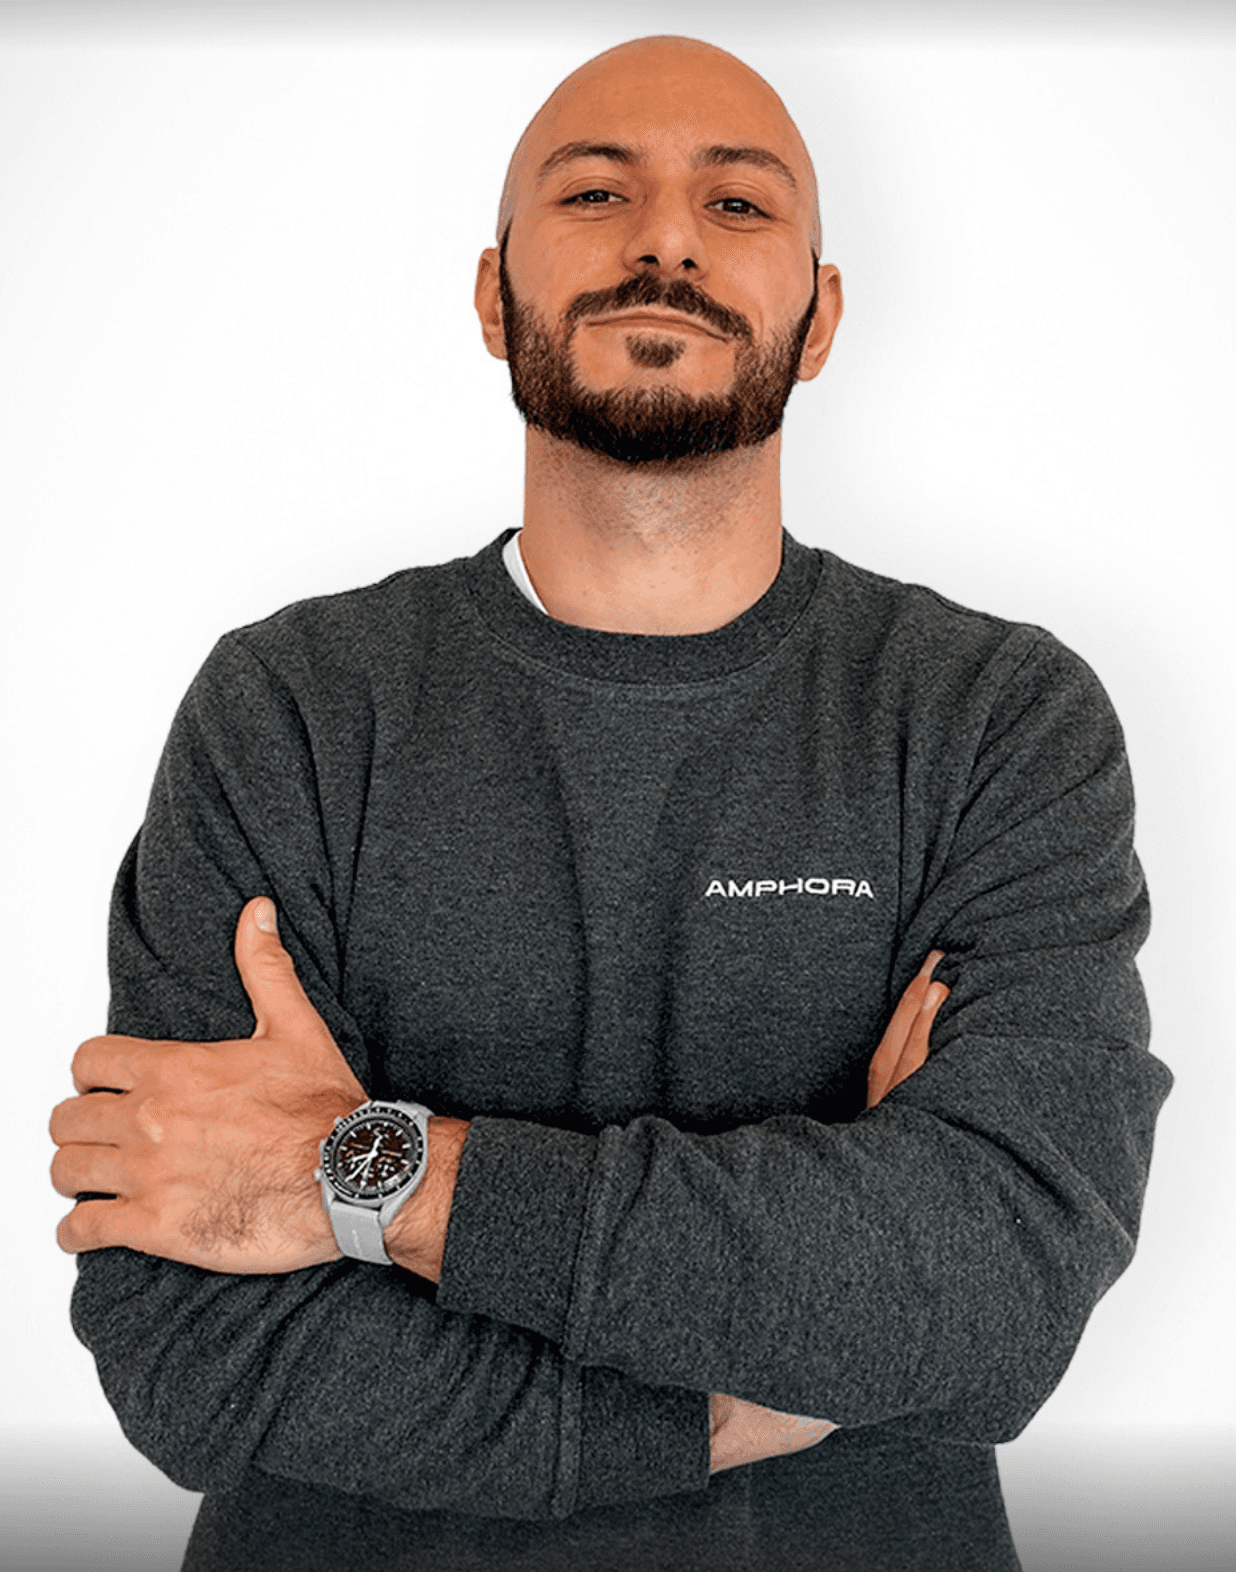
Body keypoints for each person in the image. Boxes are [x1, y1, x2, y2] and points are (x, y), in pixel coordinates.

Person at [49, 34, 1172, 1572]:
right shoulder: (294, 709)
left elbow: (996, 1283)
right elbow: (190, 1359)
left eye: (739, 203)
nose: (664, 240)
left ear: (821, 317)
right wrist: (748, 1396)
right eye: (592, 193)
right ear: (492, 294)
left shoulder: (994, 719)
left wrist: (363, 1173)